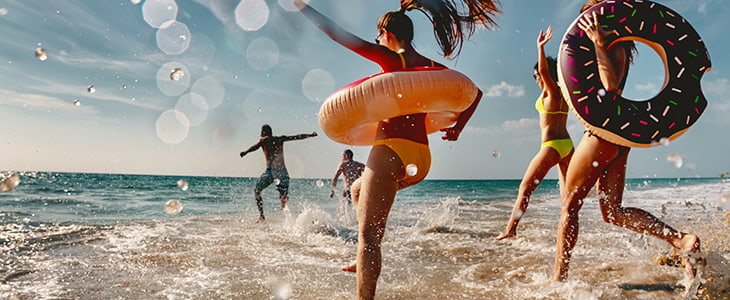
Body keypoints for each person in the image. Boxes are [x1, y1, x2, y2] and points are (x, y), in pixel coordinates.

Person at [294, 0, 498, 298]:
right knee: (357, 191)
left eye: (378, 36)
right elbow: (475, 93)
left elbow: (337, 33)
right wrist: (456, 129)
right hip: (421, 159)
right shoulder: (430, 67)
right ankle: (363, 257)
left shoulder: (393, 61)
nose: (377, 41)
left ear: (386, 33)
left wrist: (302, 8)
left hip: (390, 151)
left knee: (368, 238)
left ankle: (365, 273)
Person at [552, 0, 700, 282]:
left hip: (602, 135)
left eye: (590, 20)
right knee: (613, 212)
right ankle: (681, 240)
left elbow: (610, 88)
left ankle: (558, 280)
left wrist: (596, 43)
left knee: (569, 207)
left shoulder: (608, 48)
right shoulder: (619, 49)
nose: (586, 26)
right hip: (619, 139)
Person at [494, 26, 573, 241]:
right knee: (567, 200)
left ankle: (511, 230)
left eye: (536, 75)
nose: (536, 79)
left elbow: (545, 72)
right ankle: (566, 234)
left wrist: (540, 47)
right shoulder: (563, 93)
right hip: (567, 146)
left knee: (525, 188)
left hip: (552, 146)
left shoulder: (553, 91)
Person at [239, 124, 318, 222]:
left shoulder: (263, 140)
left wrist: (245, 152)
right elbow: (297, 137)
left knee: (257, 190)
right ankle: (286, 208)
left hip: (270, 172)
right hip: (283, 173)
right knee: (283, 196)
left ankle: (262, 216)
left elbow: (254, 147)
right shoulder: (280, 139)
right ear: (271, 132)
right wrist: (310, 135)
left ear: (262, 133)